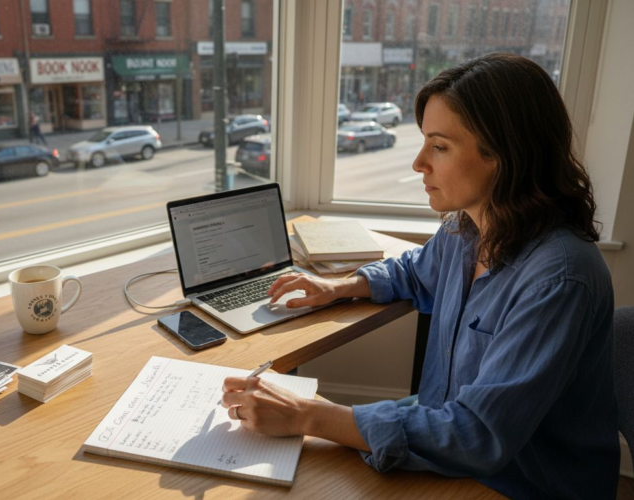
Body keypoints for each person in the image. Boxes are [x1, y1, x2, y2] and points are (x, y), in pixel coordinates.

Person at [221, 53, 619, 498]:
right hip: (450, 441)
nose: (418, 163)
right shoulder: (466, 229)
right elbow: (415, 270)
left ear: (505, 156)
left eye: (440, 146)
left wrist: (312, 415)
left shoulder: (560, 279)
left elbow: (477, 434)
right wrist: (339, 286)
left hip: (522, 482)